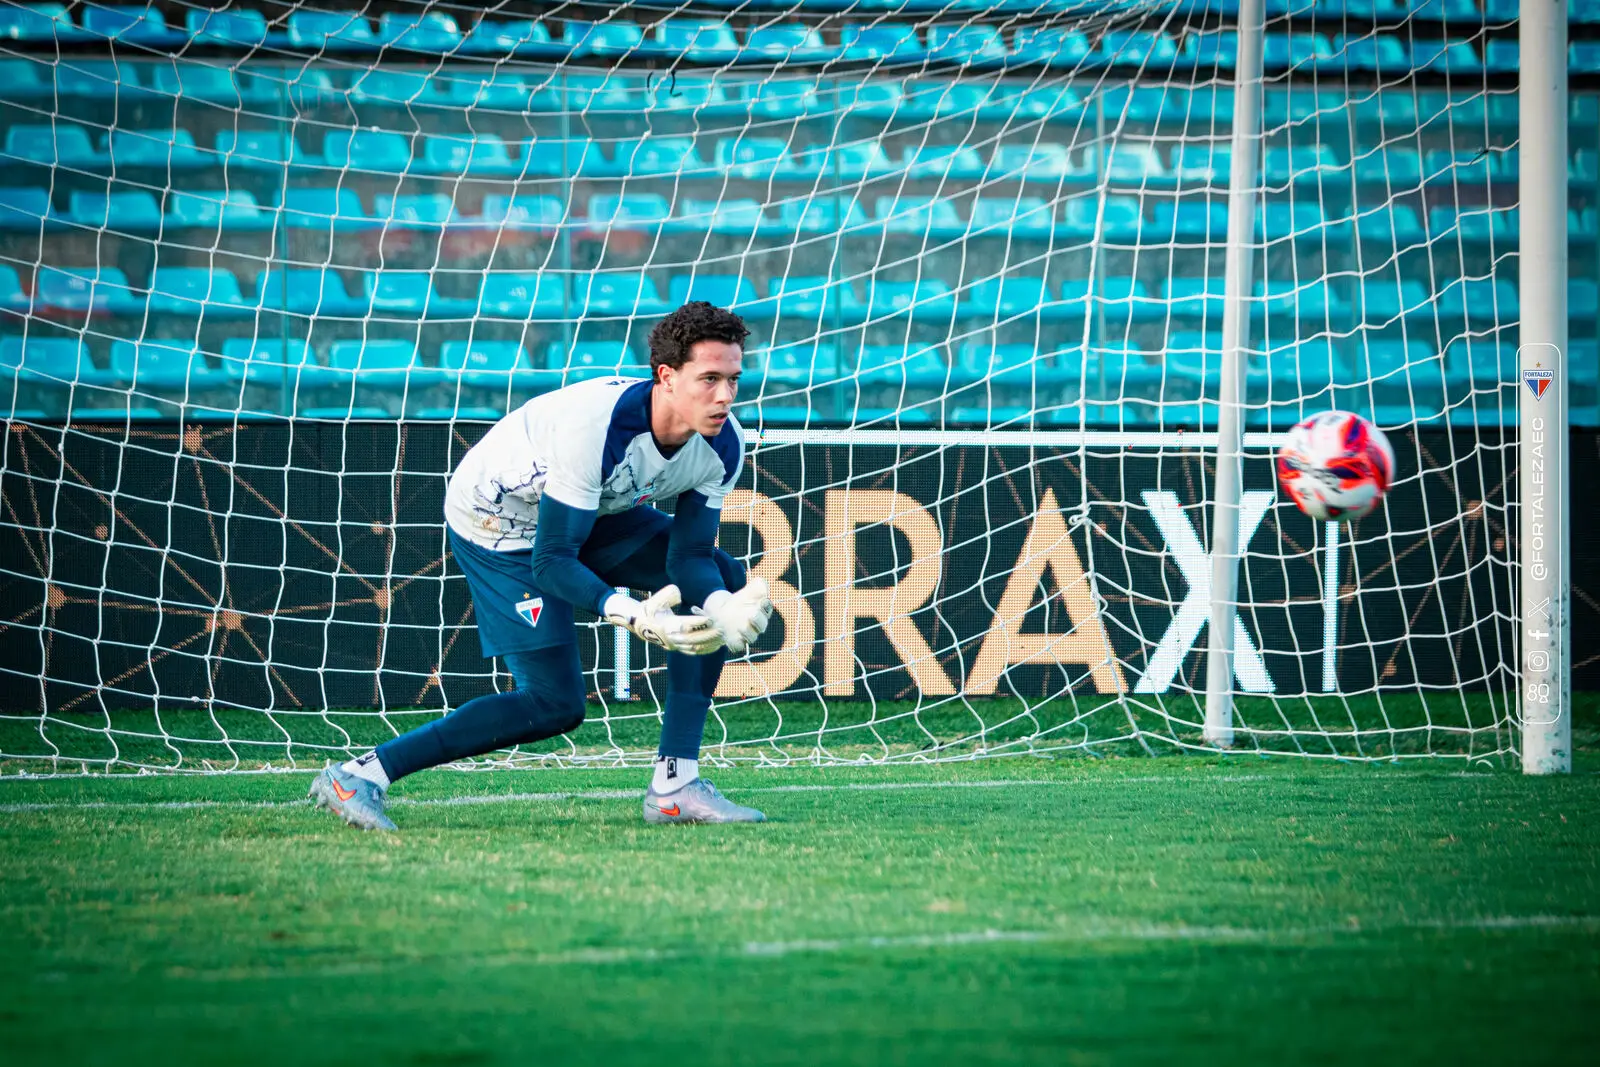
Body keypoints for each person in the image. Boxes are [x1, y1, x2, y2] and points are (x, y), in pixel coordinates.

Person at [309, 302, 774, 831]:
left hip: (590, 511)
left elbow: (688, 558)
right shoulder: (597, 428)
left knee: (724, 578)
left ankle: (675, 786)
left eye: (733, 379)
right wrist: (632, 614)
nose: (725, 396)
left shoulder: (725, 445)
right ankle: (359, 774)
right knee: (554, 704)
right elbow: (553, 561)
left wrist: (720, 606)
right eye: (709, 379)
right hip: (498, 523)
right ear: (667, 377)